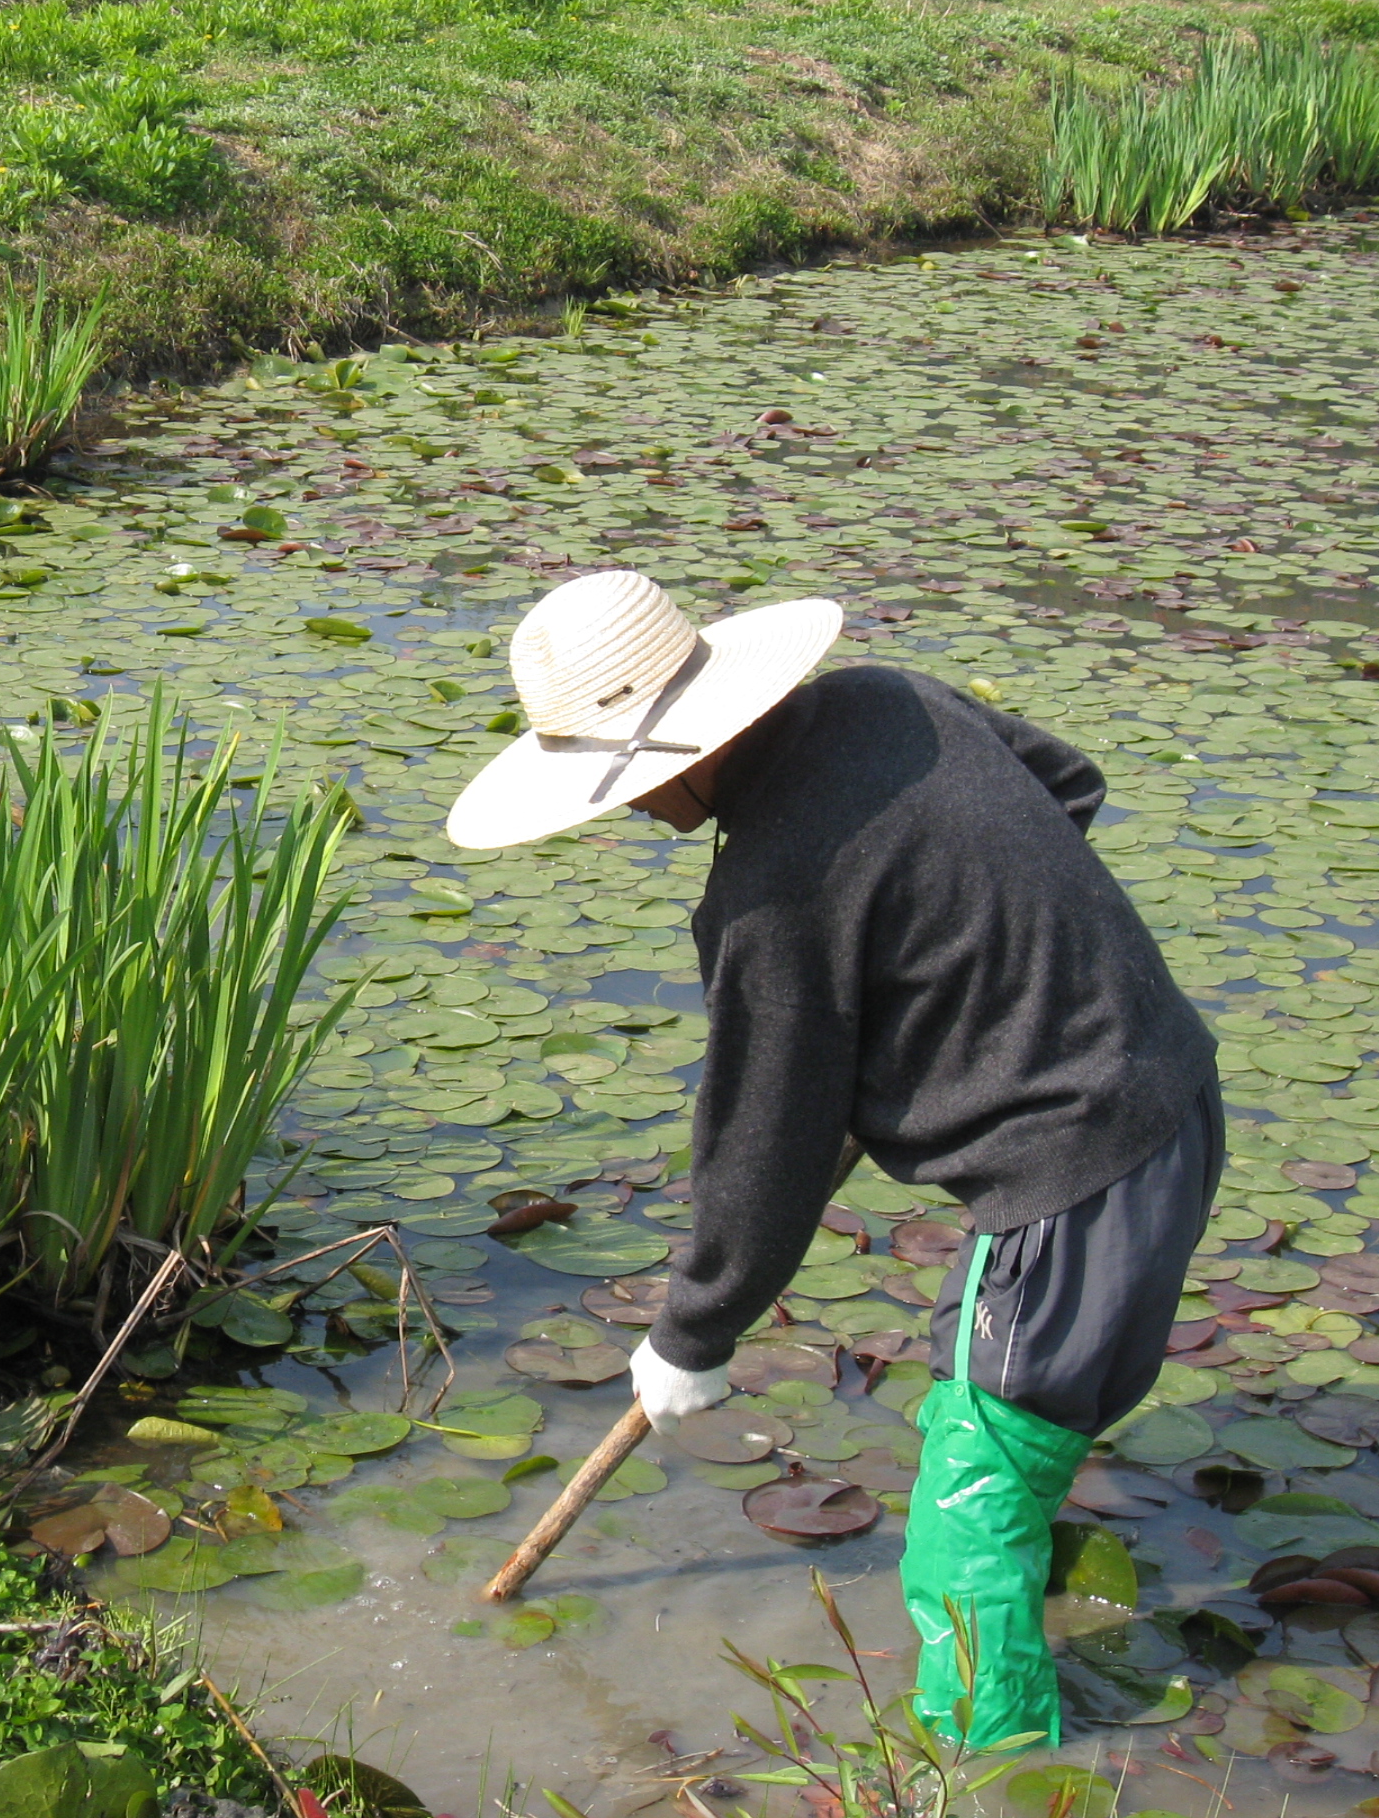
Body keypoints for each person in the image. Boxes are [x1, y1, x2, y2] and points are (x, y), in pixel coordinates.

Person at [446, 570, 1221, 1751]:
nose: (633, 812)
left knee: (978, 1484)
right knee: (1033, 1412)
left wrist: (691, 1334)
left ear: (688, 749)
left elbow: (764, 1136)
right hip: (1177, 1096)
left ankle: (988, 1759)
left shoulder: (769, 896)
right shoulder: (893, 699)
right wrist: (964, 961)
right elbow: (1066, 785)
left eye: (632, 785)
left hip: (1068, 1179)